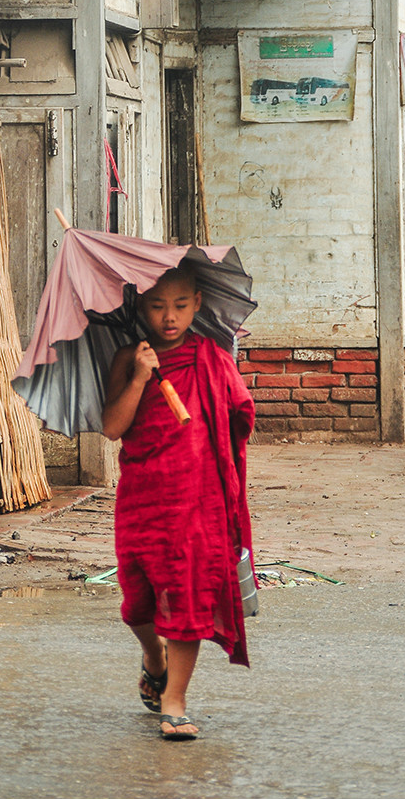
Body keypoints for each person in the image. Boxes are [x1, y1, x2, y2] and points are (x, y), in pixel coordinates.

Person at [102, 261, 255, 741]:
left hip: (197, 498)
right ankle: (153, 656)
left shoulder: (212, 357)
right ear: (140, 307)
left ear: (198, 304)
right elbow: (112, 428)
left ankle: (175, 702)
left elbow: (240, 416)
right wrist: (140, 378)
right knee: (137, 603)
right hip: (143, 494)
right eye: (157, 306)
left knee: (187, 598)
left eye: (181, 306)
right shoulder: (130, 357)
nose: (170, 317)